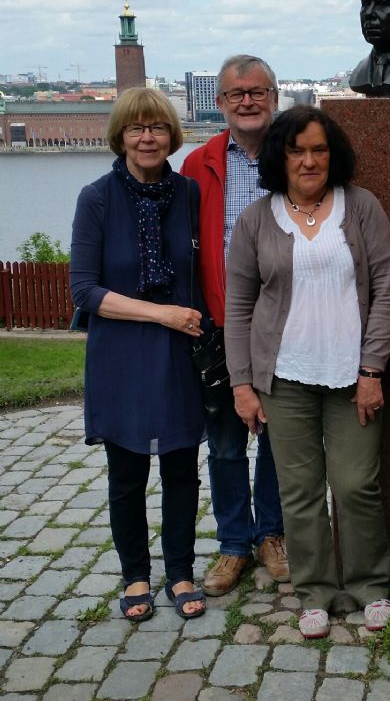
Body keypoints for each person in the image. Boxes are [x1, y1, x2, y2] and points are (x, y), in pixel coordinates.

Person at [224, 105, 390, 640]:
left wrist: (373, 368)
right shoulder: (257, 219)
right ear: (280, 156)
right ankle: (315, 592)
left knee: (356, 485)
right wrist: (242, 383)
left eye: (318, 149)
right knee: (299, 491)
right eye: (297, 149)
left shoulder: (361, 206)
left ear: (334, 154)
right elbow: (239, 305)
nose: (308, 160)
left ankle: (370, 586)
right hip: (284, 377)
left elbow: (386, 289)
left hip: (352, 374)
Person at [70, 87, 207, 621]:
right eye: (136, 128)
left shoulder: (190, 194)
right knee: (125, 474)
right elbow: (85, 290)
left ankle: (180, 571)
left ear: (171, 134)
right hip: (122, 352)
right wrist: (161, 313)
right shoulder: (97, 198)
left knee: (181, 469)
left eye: (156, 127)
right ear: (120, 136)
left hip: (180, 354)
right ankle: (135, 576)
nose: (147, 137)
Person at [181, 55, 288, 596]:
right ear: (220, 103)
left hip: (283, 325)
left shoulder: (295, 156)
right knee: (224, 443)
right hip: (219, 325)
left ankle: (273, 533)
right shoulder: (198, 164)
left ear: (275, 95)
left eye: (257, 91)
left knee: (275, 438)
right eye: (236, 94)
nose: (247, 101)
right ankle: (232, 544)